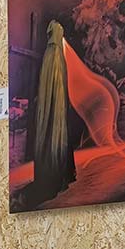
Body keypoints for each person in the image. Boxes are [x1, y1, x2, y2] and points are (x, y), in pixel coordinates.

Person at [28, 20, 76, 200]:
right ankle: (54, 174)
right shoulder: (56, 55)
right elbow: (55, 86)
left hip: (55, 109)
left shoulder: (50, 54)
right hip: (56, 111)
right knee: (54, 136)